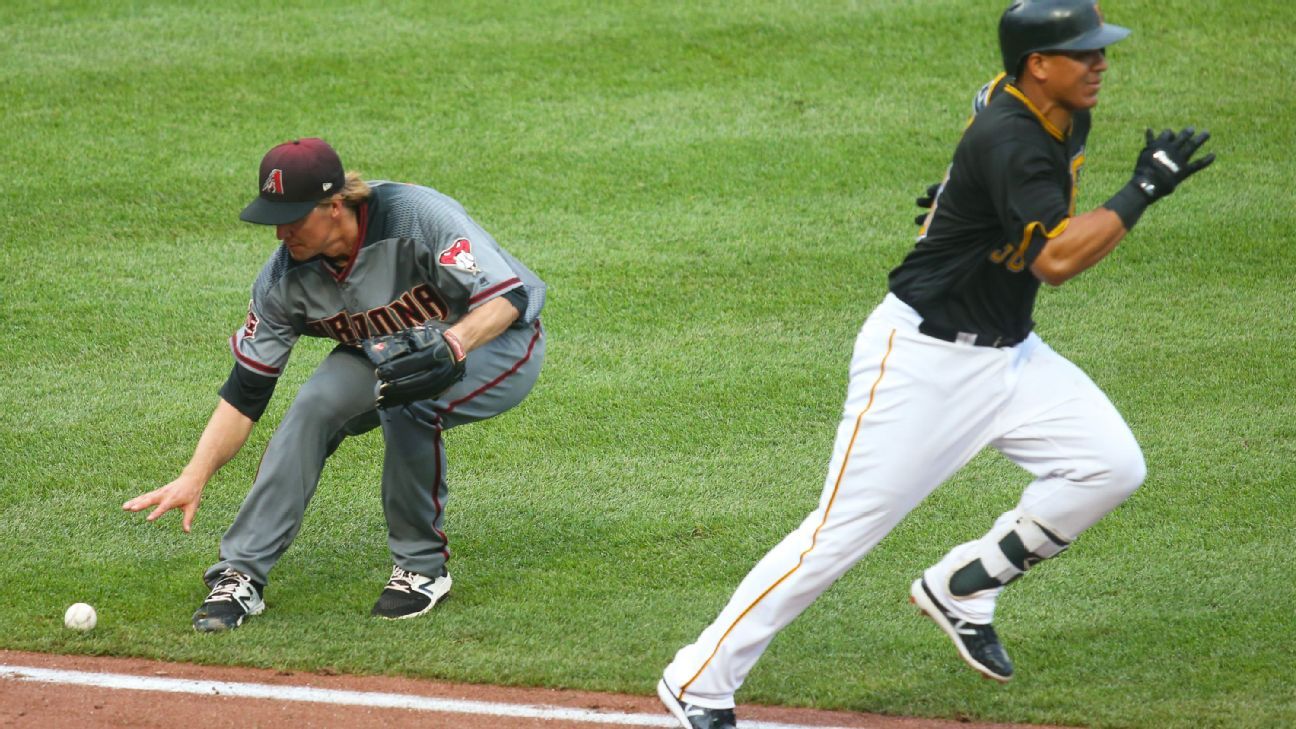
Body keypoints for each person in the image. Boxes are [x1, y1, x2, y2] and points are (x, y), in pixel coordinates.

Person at [657, 1, 1214, 726]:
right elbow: (1056, 260)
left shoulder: (1048, 107)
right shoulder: (1011, 137)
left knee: (1111, 463)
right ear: (1038, 65)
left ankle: (964, 583)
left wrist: (959, 196)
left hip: (1011, 356)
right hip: (923, 364)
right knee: (835, 538)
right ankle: (697, 677)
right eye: (1085, 53)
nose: (1101, 63)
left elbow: (983, 119)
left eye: (1100, 50)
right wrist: (1143, 188)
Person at [123, 137, 546, 631]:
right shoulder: (283, 281)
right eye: (274, 219)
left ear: (336, 205)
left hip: (495, 342)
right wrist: (195, 474)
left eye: (295, 217)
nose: (282, 232)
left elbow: (507, 297)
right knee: (314, 406)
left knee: (407, 401)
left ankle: (421, 569)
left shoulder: (416, 215)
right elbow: (245, 395)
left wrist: (454, 344)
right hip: (392, 350)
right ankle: (241, 575)